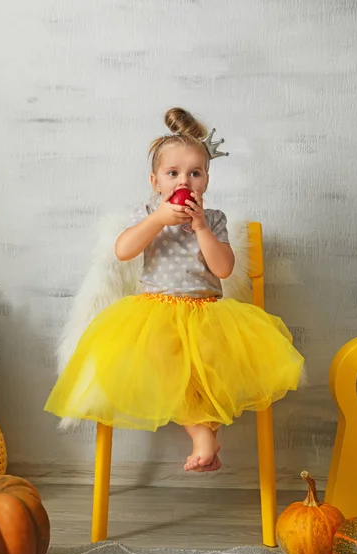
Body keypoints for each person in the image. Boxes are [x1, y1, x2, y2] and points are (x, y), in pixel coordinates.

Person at [44, 107, 304, 473]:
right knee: (163, 363)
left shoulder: (213, 220)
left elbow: (224, 268)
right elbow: (123, 250)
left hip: (205, 313)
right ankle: (203, 437)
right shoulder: (148, 213)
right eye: (173, 173)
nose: (185, 181)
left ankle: (206, 436)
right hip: (156, 313)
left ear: (206, 182)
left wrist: (200, 229)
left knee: (211, 369)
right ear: (156, 182)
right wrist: (156, 219)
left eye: (195, 173)